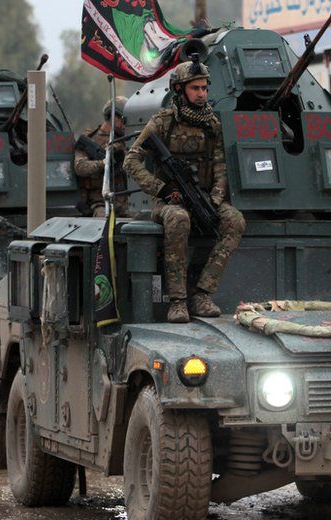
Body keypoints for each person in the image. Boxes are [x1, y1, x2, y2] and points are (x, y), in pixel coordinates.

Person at [124, 58, 246, 323]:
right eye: (195, 89)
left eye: (204, 88)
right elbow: (131, 160)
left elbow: (220, 165)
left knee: (234, 220)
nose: (202, 94)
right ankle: (177, 301)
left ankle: (201, 294)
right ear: (179, 90)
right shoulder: (162, 123)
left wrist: (214, 199)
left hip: (202, 196)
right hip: (169, 202)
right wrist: (162, 188)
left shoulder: (212, 124)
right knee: (179, 219)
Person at [73, 97, 132, 217]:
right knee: (101, 219)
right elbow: (80, 167)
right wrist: (105, 162)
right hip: (100, 201)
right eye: (123, 119)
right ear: (113, 116)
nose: (125, 124)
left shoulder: (127, 140)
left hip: (125, 200)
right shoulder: (90, 141)